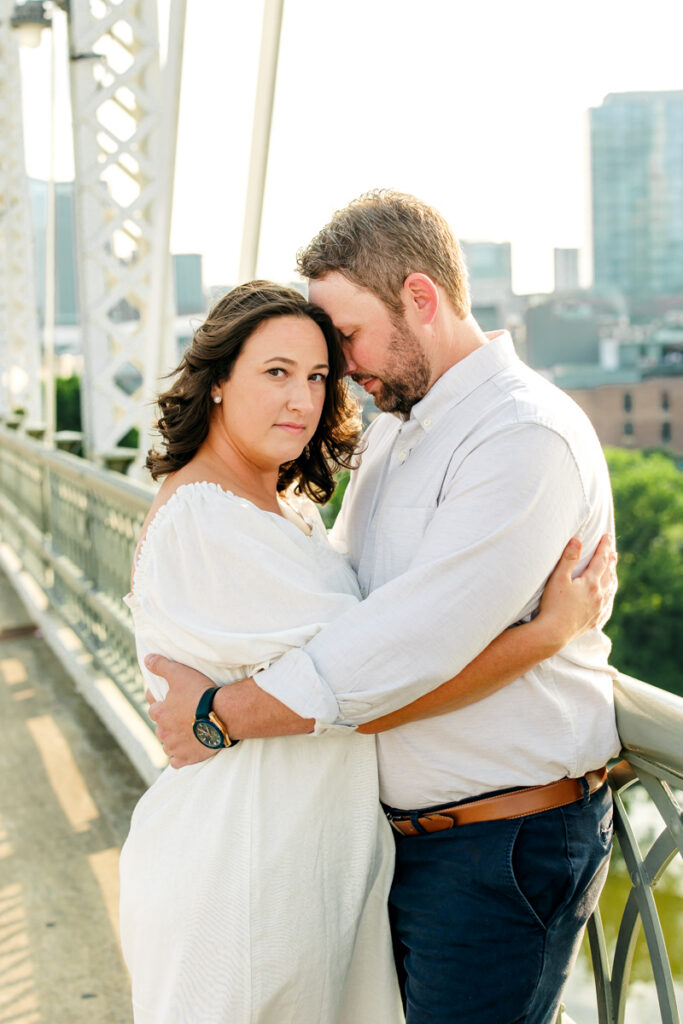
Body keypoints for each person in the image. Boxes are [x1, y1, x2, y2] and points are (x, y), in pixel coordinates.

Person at [142, 197, 620, 1024]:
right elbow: (354, 619)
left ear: (420, 298)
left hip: (497, 842)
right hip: (387, 844)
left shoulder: (520, 435)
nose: (340, 368)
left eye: (343, 344)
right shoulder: (398, 434)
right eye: (288, 367)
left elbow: (396, 653)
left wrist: (221, 716)